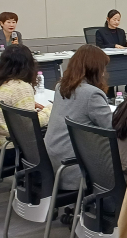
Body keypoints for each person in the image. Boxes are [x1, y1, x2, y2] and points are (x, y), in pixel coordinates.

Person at [43, 44, 113, 192]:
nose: (104, 73)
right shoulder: (91, 94)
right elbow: (112, 128)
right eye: (102, 68)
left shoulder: (61, 86)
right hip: (74, 167)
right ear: (94, 69)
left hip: (53, 161)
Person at [0, 45, 51, 147]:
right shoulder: (21, 87)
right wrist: (49, 110)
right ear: (29, 65)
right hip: (11, 147)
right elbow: (29, 125)